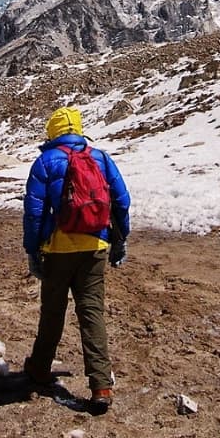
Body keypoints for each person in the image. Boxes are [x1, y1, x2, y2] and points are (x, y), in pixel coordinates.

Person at [22, 106, 131, 414]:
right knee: (92, 312)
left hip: (58, 250)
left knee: (53, 311)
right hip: (95, 246)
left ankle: (40, 369)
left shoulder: (45, 162)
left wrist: (33, 250)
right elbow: (122, 200)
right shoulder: (100, 158)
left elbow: (34, 212)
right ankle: (100, 385)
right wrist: (120, 239)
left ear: (53, 132)